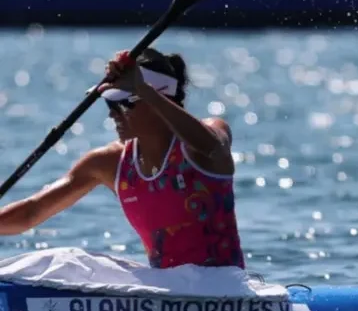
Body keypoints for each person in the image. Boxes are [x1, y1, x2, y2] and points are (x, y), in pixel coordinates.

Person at [0, 48, 244, 270]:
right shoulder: (110, 163)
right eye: (109, 103)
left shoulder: (206, 139)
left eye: (121, 103)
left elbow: (211, 146)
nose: (112, 113)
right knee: (66, 263)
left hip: (224, 290)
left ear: (155, 99)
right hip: (167, 291)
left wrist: (144, 91)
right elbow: (33, 211)